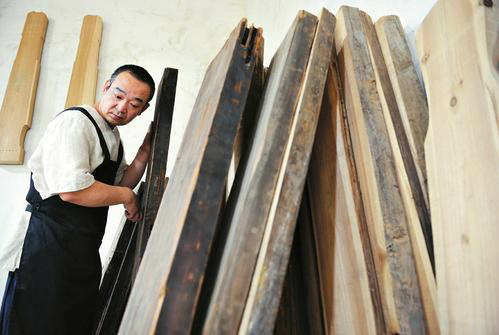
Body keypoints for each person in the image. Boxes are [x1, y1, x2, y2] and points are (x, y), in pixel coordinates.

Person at [0, 64, 155, 335]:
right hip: (46, 248)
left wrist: (143, 155)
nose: (122, 108)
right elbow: (71, 190)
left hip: (78, 252)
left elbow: (116, 184)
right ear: (106, 87)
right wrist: (126, 197)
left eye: (134, 104)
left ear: (142, 110)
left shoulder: (110, 133)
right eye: (118, 96)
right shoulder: (76, 122)